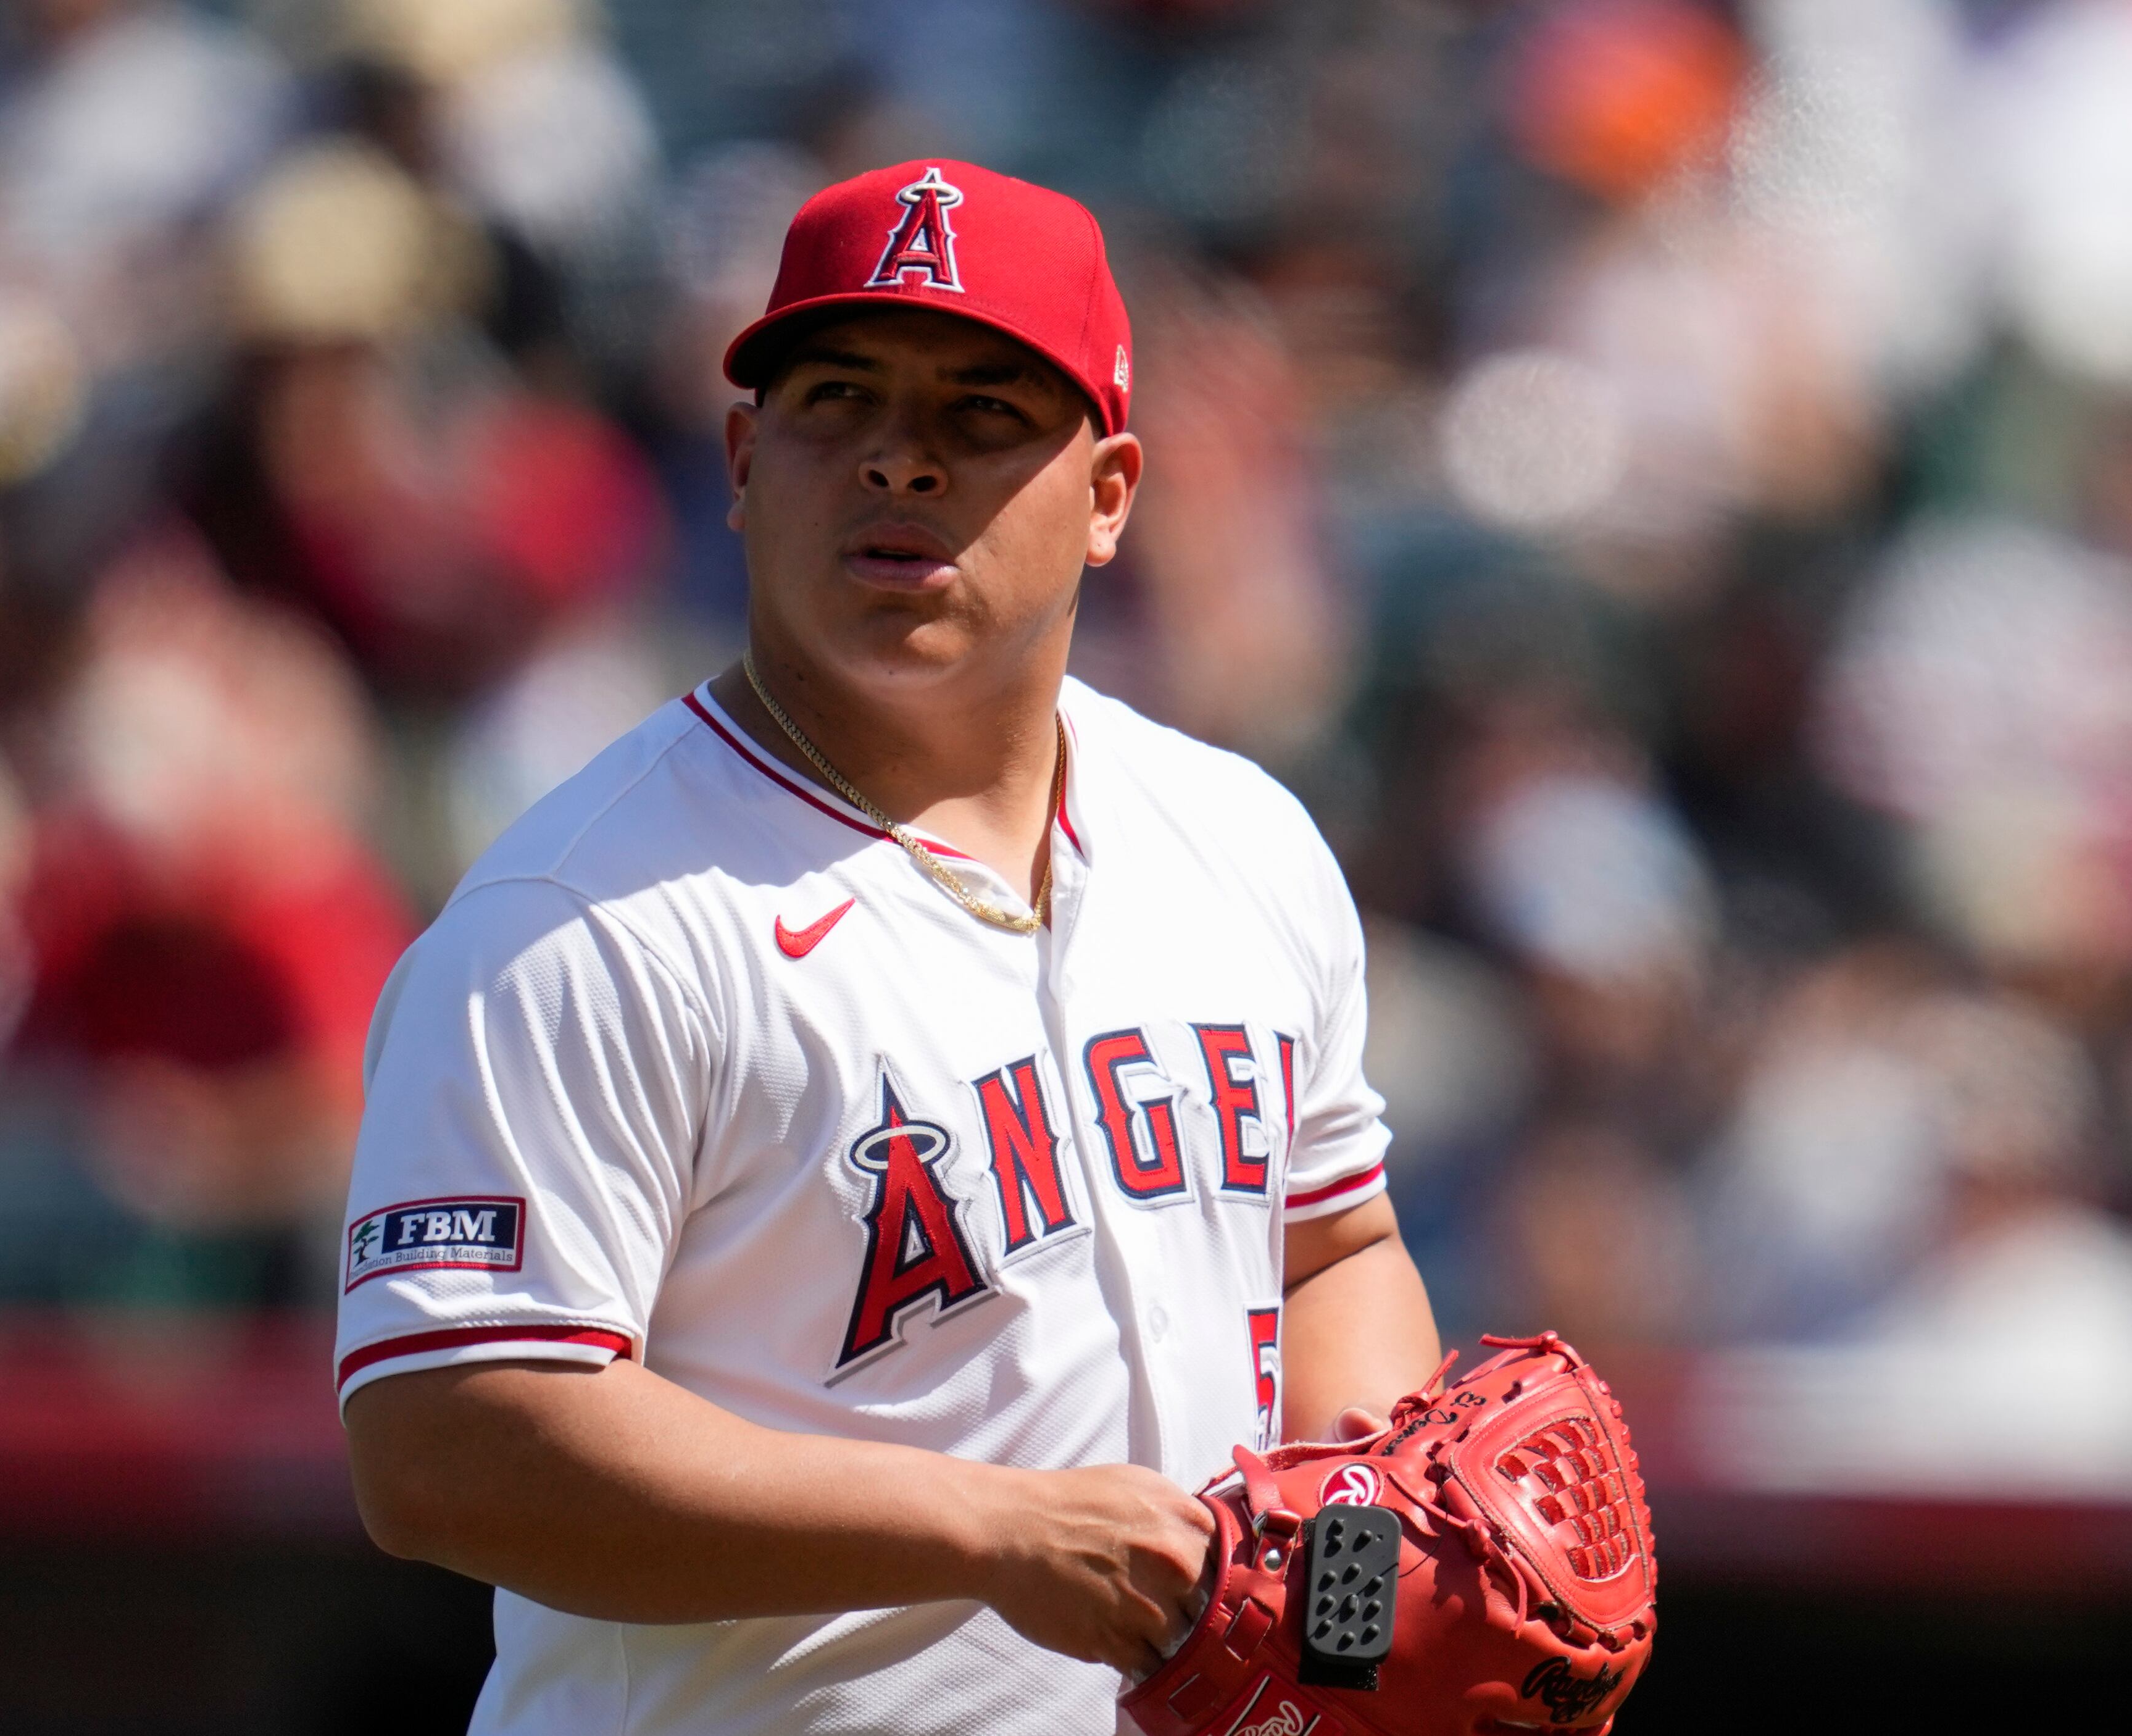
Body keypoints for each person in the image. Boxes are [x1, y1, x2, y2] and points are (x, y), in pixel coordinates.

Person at [334, 160, 1441, 1735]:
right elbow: (446, 1440)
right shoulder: (581, 919)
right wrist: (987, 1526)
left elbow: (1334, 1247)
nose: (897, 462)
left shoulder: (1237, 838)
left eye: (981, 415)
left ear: (1110, 491)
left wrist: (1361, 1499)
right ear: (739, 458)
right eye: (836, 401)